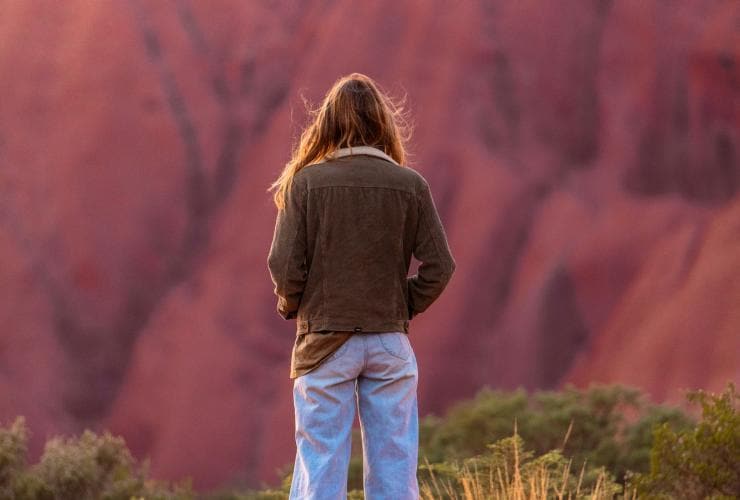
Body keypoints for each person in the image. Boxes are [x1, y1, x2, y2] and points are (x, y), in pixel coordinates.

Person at [267, 72, 456, 500]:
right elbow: (440, 266)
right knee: (395, 471)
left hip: (324, 340)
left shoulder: (306, 183)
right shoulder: (411, 185)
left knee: (320, 468)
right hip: (389, 342)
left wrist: (293, 303)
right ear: (382, 123)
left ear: (328, 122)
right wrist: (400, 305)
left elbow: (283, 264)